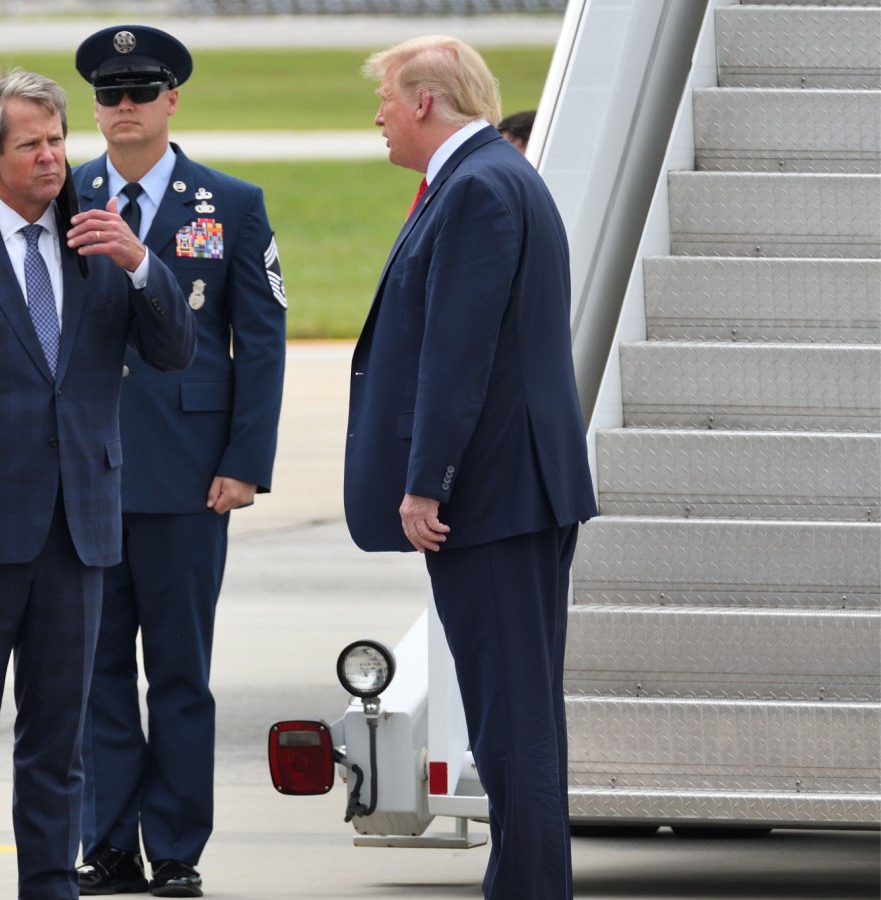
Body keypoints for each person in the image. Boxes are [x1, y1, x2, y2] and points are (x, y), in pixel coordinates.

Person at [0, 69, 194, 900]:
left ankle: (49, 887)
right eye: (32, 144)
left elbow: (174, 352)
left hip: (79, 529)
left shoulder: (100, 243)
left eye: (58, 140)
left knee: (59, 741)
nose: (53, 157)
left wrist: (140, 264)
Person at [343, 37, 596, 899]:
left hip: (493, 496)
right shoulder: (488, 177)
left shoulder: (480, 188)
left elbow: (460, 354)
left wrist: (426, 482)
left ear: (423, 102)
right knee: (514, 718)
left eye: (384, 98)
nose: (377, 115)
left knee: (511, 723)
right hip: (510, 491)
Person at [69, 24, 286, 899]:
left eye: (141, 93)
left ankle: (179, 848)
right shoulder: (65, 194)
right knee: (95, 670)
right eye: (110, 96)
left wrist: (246, 461)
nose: (124, 109)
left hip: (190, 472)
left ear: (172, 101)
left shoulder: (227, 201)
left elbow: (261, 343)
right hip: (86, 471)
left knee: (181, 670)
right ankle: (109, 841)